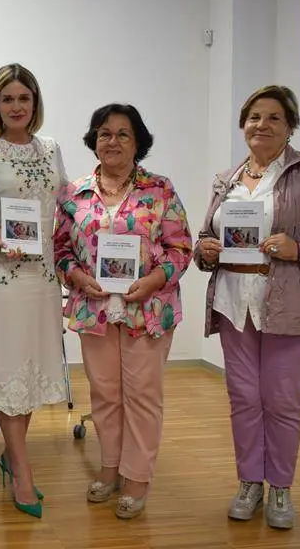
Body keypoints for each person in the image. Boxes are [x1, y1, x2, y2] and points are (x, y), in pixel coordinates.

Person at [193, 85, 300, 529]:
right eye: (253, 118)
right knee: (244, 399)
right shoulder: (226, 179)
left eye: (273, 118)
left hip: (290, 306)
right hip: (234, 303)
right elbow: (205, 235)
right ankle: (250, 482)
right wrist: (205, 249)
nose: (261, 126)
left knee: (282, 401)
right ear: (242, 125)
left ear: (289, 128)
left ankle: (281, 488)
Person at [53, 103, 193, 519]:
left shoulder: (160, 189)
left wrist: (153, 280)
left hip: (148, 309)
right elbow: (60, 250)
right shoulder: (73, 193)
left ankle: (137, 477)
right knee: (105, 395)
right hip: (94, 310)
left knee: (143, 396)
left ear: (138, 142)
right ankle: (109, 468)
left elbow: (181, 248)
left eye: (122, 134)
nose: (112, 141)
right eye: (104, 133)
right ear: (94, 141)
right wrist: (76, 276)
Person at [0, 64, 67, 518]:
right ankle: (22, 470)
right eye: (8, 99)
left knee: (33, 366)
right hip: (1, 274)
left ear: (35, 103)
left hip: (43, 275)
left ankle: (12, 454)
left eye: (24, 98)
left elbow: (64, 205)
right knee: (6, 369)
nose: (17, 107)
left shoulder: (53, 148)